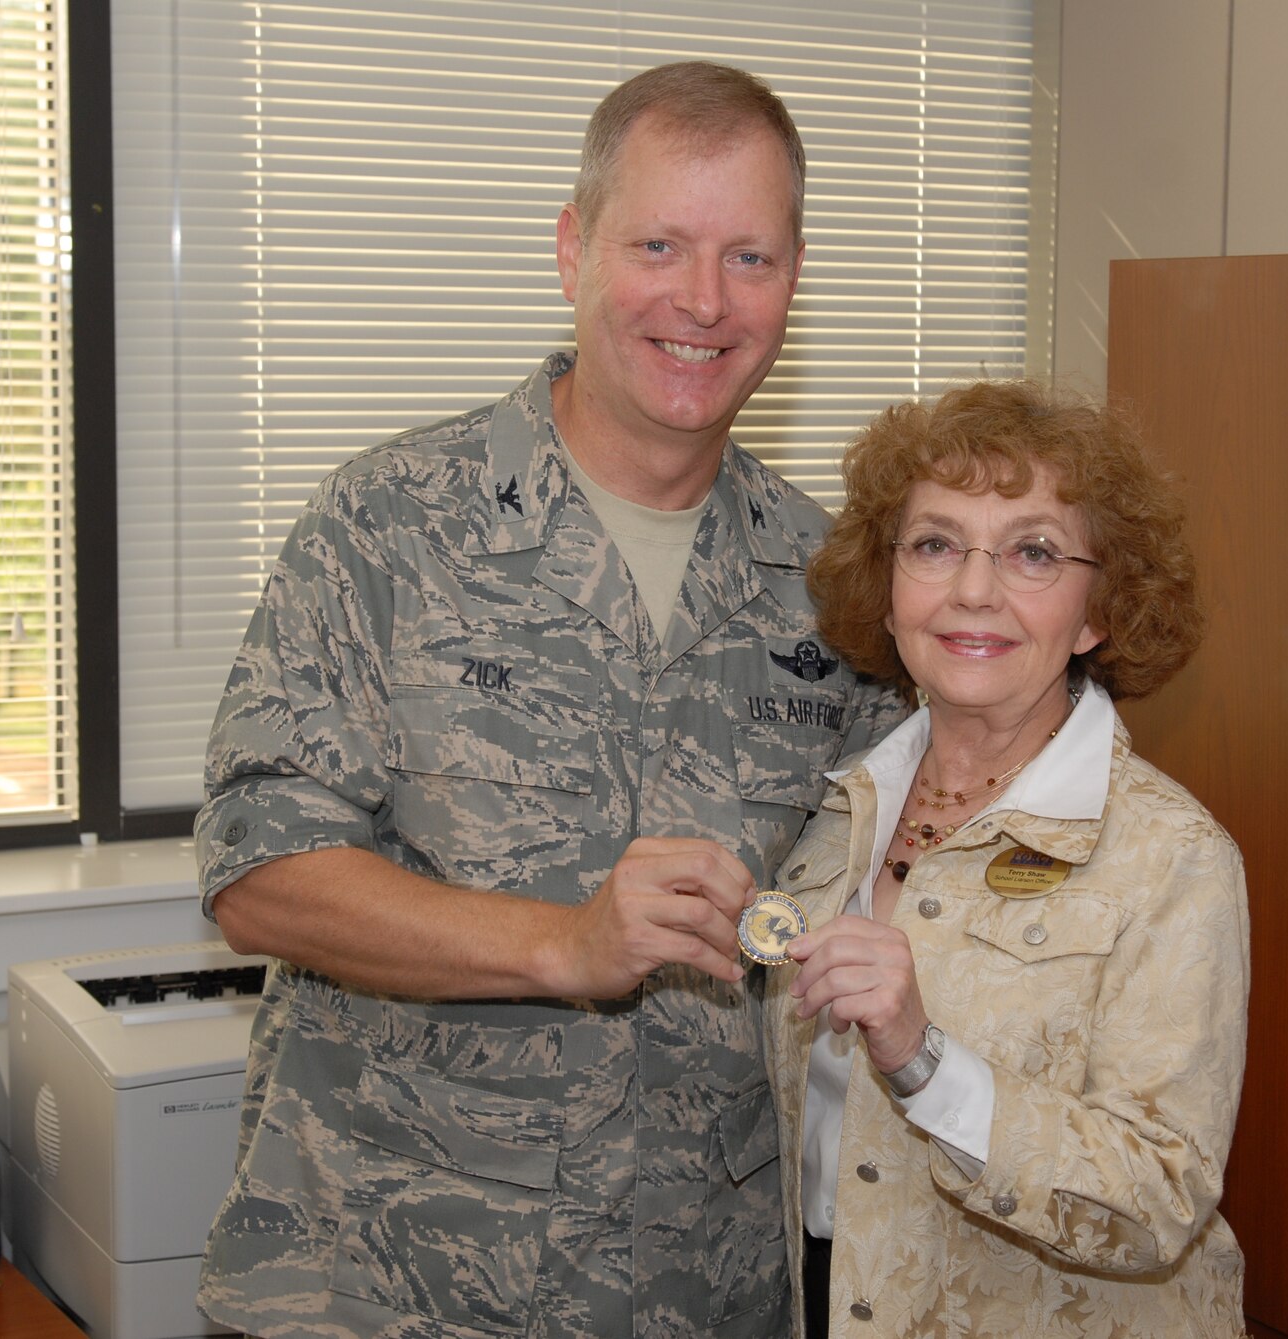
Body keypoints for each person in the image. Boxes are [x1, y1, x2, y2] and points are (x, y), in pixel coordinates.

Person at [192, 62, 903, 1339]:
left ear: (795, 279)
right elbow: (259, 873)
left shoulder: (834, 585)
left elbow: (903, 869)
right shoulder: (389, 525)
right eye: (658, 245)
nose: (702, 299)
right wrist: (561, 945)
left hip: (700, 1292)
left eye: (749, 256)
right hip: (390, 1281)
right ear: (573, 248)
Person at [765, 380, 1249, 1337]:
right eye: (936, 544)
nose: (973, 589)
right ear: (888, 584)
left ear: (1099, 609)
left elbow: (1159, 1195)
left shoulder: (1172, 856)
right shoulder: (837, 814)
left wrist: (923, 1058)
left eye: (1033, 551)